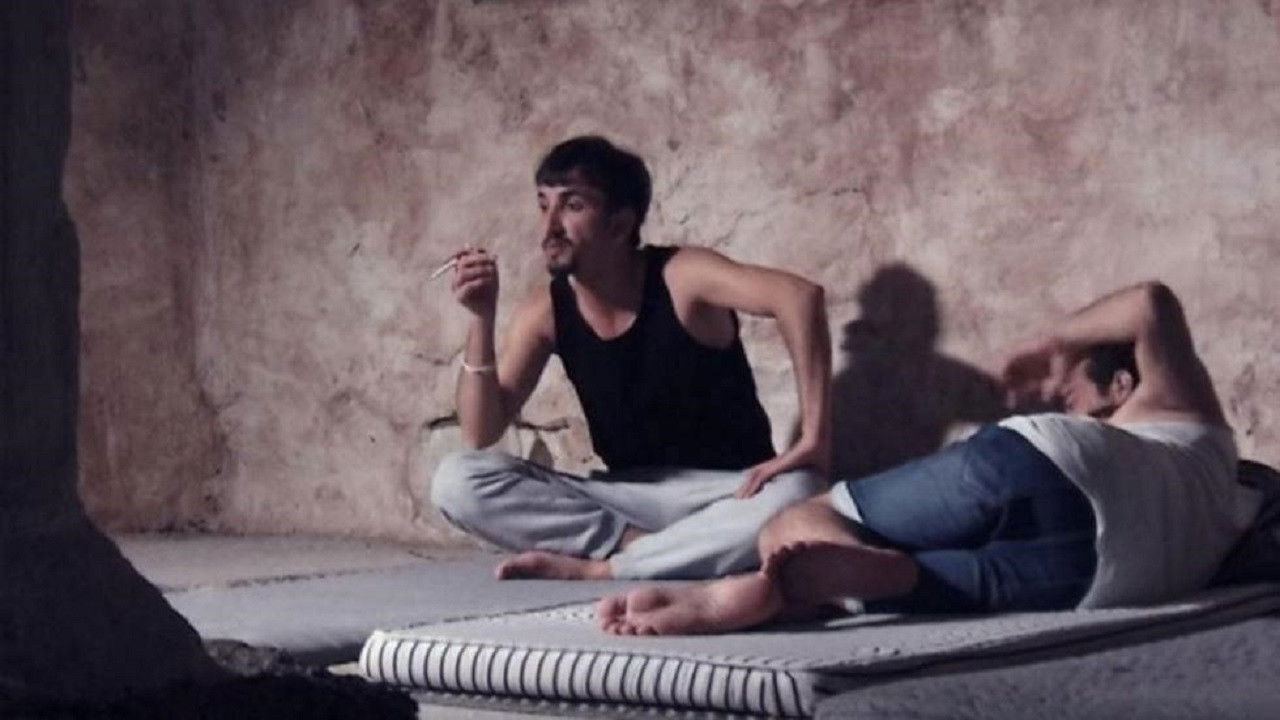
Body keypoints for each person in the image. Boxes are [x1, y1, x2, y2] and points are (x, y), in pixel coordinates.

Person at [597, 281, 1263, 634]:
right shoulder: (1212, 483)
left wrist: (1053, 341)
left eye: (1074, 387)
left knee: (801, 517)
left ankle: (772, 579)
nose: (1062, 394)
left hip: (1051, 462)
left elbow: (1150, 302)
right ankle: (835, 589)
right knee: (925, 580)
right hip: (1096, 579)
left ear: (1121, 385)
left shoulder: (1173, 413)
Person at [429, 135, 831, 581]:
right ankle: (655, 550)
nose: (549, 228)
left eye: (572, 206)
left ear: (620, 225)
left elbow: (799, 297)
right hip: (626, 500)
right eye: (543, 205)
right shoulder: (546, 311)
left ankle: (610, 568)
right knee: (457, 481)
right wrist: (481, 317)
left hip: (730, 492)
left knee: (802, 492)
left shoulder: (681, 276)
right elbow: (480, 430)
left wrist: (814, 437)